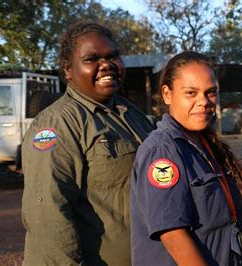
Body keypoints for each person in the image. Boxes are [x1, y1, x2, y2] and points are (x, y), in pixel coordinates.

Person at [21, 21, 154, 265]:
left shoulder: (131, 113)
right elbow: (48, 214)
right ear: (68, 70)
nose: (106, 66)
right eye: (92, 59)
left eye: (113, 56)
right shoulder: (57, 124)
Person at [130, 51, 242, 266]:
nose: (203, 101)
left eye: (210, 92)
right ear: (167, 94)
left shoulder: (204, 145)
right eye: (191, 93)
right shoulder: (163, 150)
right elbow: (173, 235)